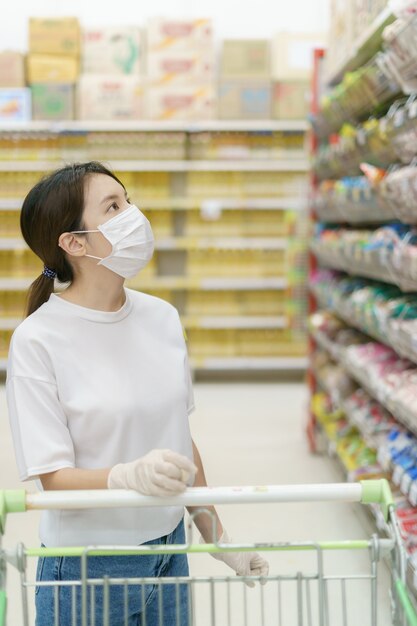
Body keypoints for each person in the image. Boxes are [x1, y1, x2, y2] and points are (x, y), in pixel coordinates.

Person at [6, 162, 269, 626]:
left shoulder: (162, 318)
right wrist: (126, 476)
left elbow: (179, 439)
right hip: (89, 562)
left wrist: (218, 538)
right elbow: (52, 477)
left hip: (170, 549)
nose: (133, 214)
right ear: (74, 243)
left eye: (127, 200)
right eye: (113, 207)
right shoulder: (37, 340)